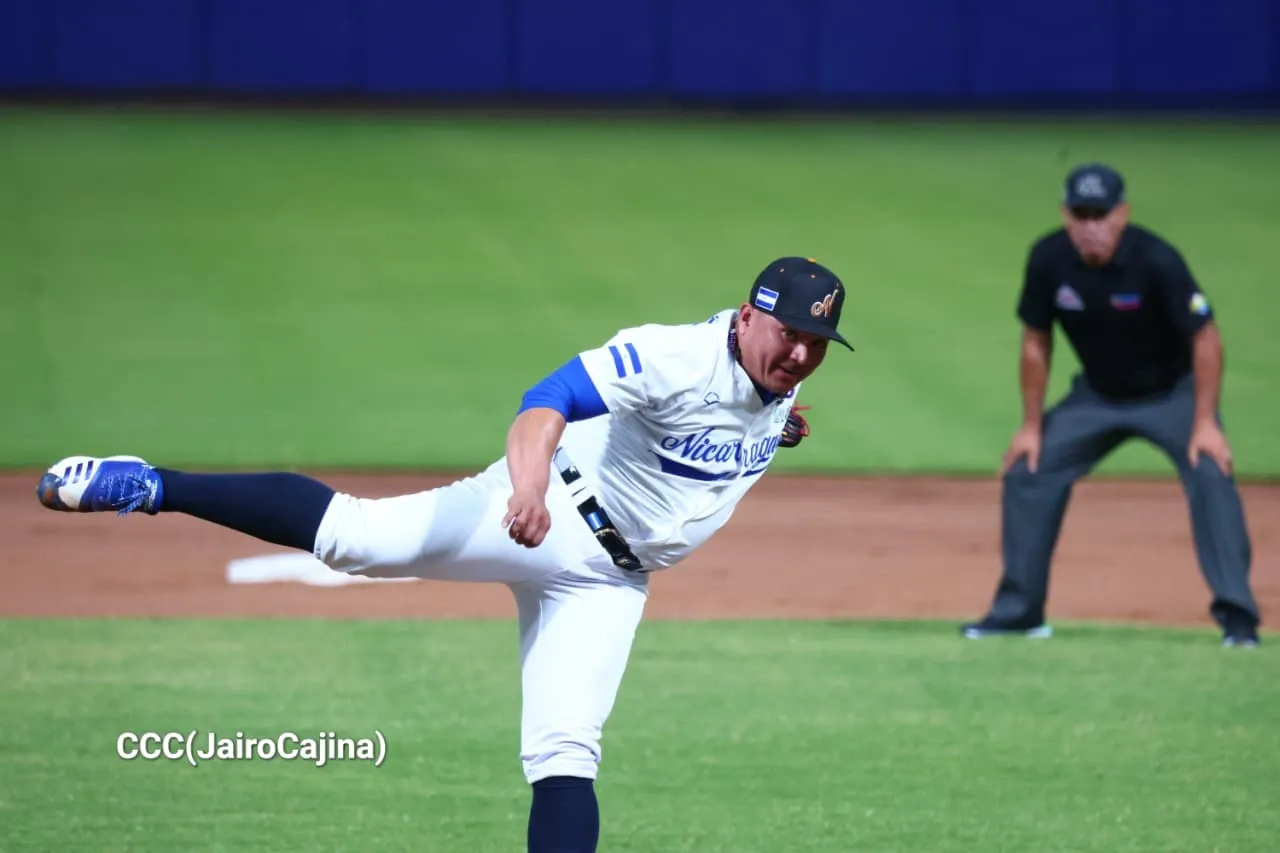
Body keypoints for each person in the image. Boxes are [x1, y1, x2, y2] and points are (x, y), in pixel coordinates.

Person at [35, 257, 852, 853]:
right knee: (357, 536)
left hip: (611, 582)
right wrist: (527, 489)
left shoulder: (771, 389)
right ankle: (153, 485)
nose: (801, 355)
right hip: (549, 509)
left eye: (818, 343)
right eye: (791, 334)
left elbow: (734, 422)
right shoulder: (673, 355)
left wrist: (779, 420)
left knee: (566, 750)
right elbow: (547, 400)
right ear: (747, 314)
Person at [961, 163, 1261, 648]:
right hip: (1097, 396)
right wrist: (1031, 426)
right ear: (1065, 215)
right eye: (1080, 214)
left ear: (1122, 214)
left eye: (1101, 214)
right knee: (1028, 470)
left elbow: (1205, 338)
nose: (1090, 225)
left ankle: (1239, 621)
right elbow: (1036, 341)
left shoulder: (1156, 260)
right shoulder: (1049, 258)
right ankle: (1020, 614)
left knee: (1210, 469)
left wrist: (1205, 422)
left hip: (1172, 394)